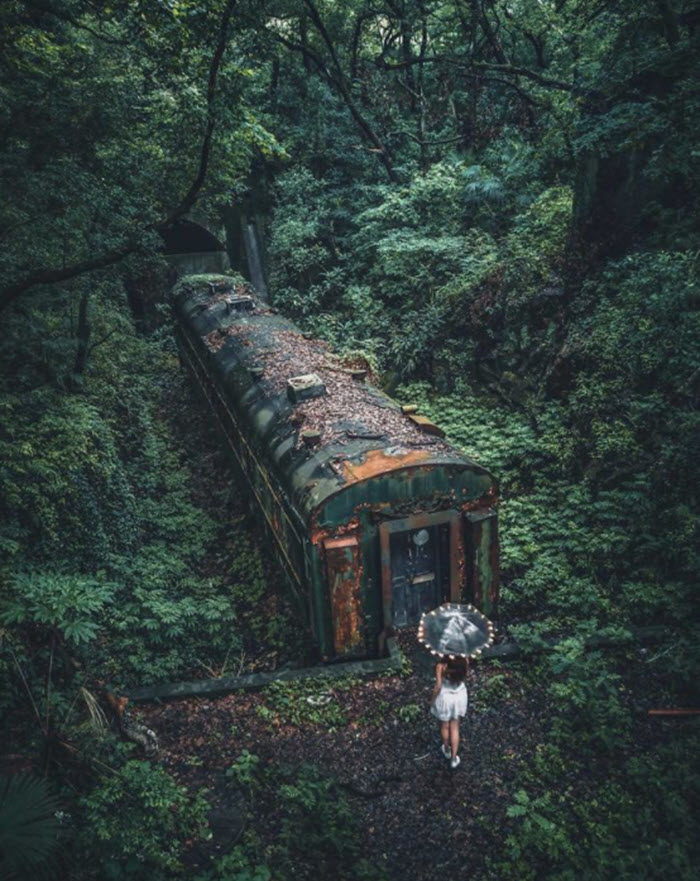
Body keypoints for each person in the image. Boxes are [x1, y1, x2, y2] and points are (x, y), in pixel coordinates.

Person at [430, 655, 468, 768]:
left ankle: (446, 749)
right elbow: (464, 677)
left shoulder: (441, 666)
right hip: (459, 696)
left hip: (445, 697)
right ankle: (453, 759)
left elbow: (438, 686)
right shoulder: (464, 661)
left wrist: (432, 700)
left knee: (445, 725)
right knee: (455, 727)